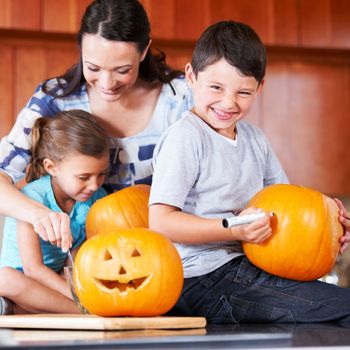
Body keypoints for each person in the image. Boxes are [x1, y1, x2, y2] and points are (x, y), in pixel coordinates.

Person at [148, 21, 350, 325]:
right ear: (190, 76)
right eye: (216, 87)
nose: (228, 102)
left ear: (260, 88)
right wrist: (234, 230)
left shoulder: (255, 139)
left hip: (246, 268)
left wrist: (329, 229)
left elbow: (287, 210)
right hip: (200, 278)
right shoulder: (186, 137)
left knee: (338, 304)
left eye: (243, 92)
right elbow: (161, 222)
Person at [0, 0, 192, 251]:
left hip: (166, 252)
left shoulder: (181, 97)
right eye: (93, 68)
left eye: (122, 69)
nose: (106, 82)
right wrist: (38, 214)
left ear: (144, 51)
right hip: (81, 254)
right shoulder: (55, 100)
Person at [0, 110, 109, 314]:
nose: (94, 185)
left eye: (101, 174)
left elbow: (77, 256)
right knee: (5, 279)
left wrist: (80, 283)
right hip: (26, 281)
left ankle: (49, 310)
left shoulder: (96, 199)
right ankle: (82, 313)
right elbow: (33, 269)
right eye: (84, 177)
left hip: (57, 281)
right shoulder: (31, 198)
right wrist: (81, 296)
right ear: (52, 167)